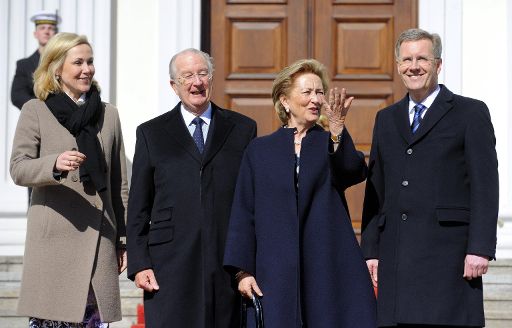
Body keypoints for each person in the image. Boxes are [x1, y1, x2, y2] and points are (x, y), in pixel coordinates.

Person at [361, 28, 499, 328]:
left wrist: (480, 247)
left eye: (422, 58)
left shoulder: (469, 113)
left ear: (438, 64)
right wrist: (371, 249)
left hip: (449, 256)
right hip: (396, 255)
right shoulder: (386, 118)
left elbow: (485, 185)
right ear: (398, 66)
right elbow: (377, 188)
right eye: (407, 59)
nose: (414, 66)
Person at [223, 59, 377, 327]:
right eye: (307, 92)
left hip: (327, 264)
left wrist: (338, 130)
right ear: (284, 100)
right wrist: (242, 272)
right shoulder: (260, 151)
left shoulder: (328, 143)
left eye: (319, 92)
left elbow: (353, 171)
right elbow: (243, 211)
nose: (315, 99)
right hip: (275, 270)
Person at [126, 48, 257, 328]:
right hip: (169, 264)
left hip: (227, 262)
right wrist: (139, 263)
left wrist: (247, 263)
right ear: (174, 86)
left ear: (211, 79)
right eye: (187, 76)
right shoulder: (151, 133)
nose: (196, 82)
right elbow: (139, 205)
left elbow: (252, 201)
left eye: (202, 74)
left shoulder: (243, 129)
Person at [10, 32, 128, 327]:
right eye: (78, 62)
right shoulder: (35, 110)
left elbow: (119, 186)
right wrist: (54, 164)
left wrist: (123, 241)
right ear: (56, 69)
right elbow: (18, 168)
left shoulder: (108, 114)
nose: (87, 69)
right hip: (53, 245)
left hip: (99, 240)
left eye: (90, 61)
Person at [11, 10, 60, 110]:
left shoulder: (64, 61)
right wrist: (41, 109)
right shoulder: (24, 65)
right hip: (36, 118)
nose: (46, 31)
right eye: (42, 28)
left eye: (51, 28)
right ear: (35, 34)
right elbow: (17, 95)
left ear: (56, 33)